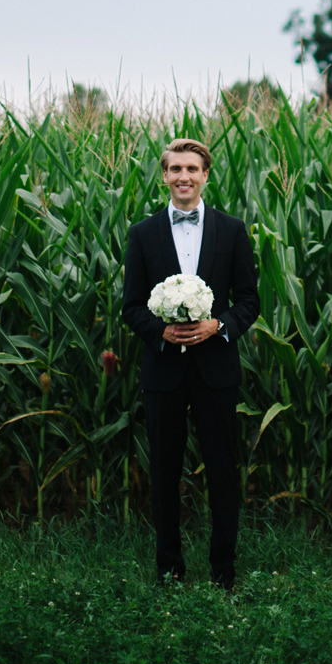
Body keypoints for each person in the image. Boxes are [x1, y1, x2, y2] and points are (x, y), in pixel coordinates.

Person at [123, 137, 260, 590]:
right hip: (163, 370)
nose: (184, 177)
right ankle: (169, 568)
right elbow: (131, 307)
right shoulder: (142, 234)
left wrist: (217, 326)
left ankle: (224, 570)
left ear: (205, 175)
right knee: (163, 470)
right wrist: (161, 331)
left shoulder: (232, 229)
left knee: (222, 469)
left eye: (192, 169)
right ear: (163, 175)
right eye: (175, 169)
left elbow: (249, 300)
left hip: (216, 368)